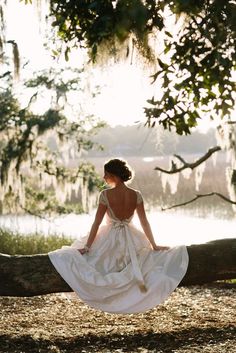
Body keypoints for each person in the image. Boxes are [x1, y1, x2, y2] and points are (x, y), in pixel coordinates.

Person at [49, 158, 188, 314]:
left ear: (114, 176)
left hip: (109, 236)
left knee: (92, 263)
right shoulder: (136, 195)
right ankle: (129, 297)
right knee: (138, 265)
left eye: (106, 174)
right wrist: (153, 245)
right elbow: (144, 222)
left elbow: (96, 223)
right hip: (133, 236)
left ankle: (107, 297)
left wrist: (87, 246)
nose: (103, 178)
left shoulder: (106, 195)